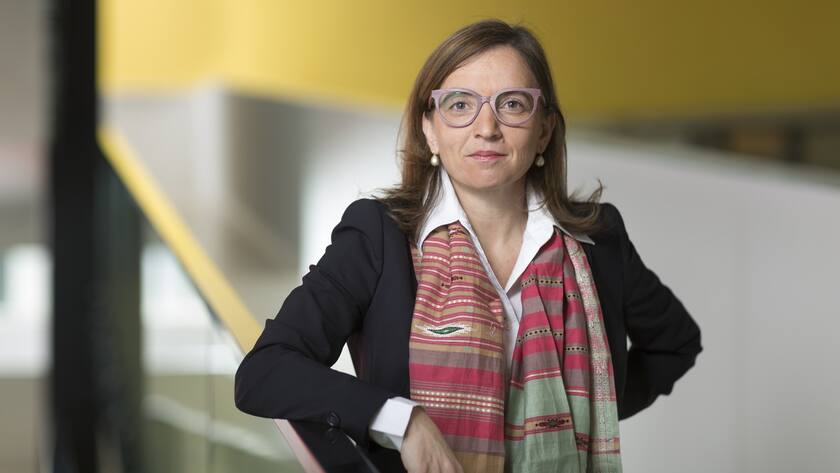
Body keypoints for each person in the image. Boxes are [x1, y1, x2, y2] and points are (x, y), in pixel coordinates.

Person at [234, 19, 702, 473]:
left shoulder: (597, 240)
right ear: (430, 129)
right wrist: (404, 421)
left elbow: (675, 344)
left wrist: (589, 412)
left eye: (513, 104)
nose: (487, 128)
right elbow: (264, 372)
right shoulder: (378, 235)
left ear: (544, 130)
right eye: (460, 105)